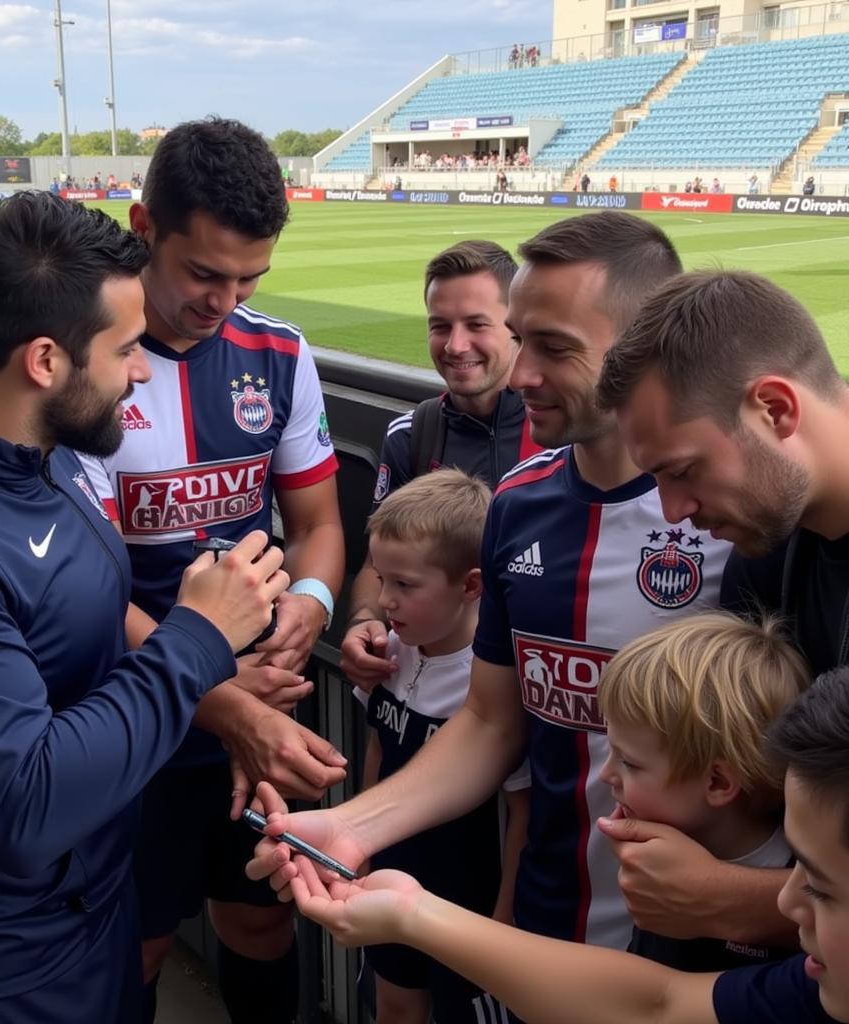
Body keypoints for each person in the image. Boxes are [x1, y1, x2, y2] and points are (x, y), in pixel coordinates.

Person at [0, 190, 288, 1022]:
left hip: (86, 918)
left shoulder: (6, 427)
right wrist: (199, 640)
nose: (141, 371)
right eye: (126, 349)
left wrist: (230, 716)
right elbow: (23, 803)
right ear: (43, 360)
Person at [250, 212, 735, 978]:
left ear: (649, 348)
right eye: (522, 338)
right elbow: (490, 722)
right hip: (535, 919)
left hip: (690, 952)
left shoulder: (732, 521)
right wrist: (350, 826)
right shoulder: (515, 505)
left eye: (554, 347)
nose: (522, 373)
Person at [76, 117, 346, 1024]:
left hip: (257, 701)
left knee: (262, 924)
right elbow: (82, 586)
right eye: (204, 273)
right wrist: (222, 695)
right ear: (144, 226)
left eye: (249, 278)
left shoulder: (278, 355)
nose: (224, 299)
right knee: (137, 941)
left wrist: (309, 602)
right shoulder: (83, 369)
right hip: (134, 710)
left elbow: (316, 524)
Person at [280, 667, 849, 1024]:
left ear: (721, 783)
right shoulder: (813, 987)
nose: (781, 902)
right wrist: (405, 907)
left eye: (820, 886)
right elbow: (657, 1003)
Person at [596, 269, 849, 951]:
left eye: (682, 471)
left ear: (775, 409)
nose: (676, 512)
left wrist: (727, 900)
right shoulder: (765, 555)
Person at [340, 240, 536, 692]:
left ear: (515, 328)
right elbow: (377, 563)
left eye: (476, 324)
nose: (455, 344)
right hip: (435, 692)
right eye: (439, 325)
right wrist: (364, 620)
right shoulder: (411, 435)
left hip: (531, 696)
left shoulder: (561, 437)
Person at [353, 468, 512, 1023]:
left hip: (467, 894)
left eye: (405, 585)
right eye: (380, 579)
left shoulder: (493, 681)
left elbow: (522, 810)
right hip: (392, 871)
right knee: (395, 1005)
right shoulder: (391, 653)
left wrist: (504, 918)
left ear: (471, 585)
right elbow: (378, 749)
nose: (385, 601)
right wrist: (362, 845)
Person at [599, 612, 809, 970]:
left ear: (718, 783)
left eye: (629, 763)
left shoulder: (807, 881)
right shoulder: (655, 867)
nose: (606, 775)